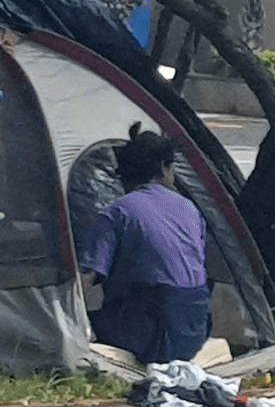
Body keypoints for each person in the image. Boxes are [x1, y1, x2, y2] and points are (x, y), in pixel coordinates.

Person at [79, 125, 211, 365]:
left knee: (85, 324)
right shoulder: (190, 209)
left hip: (149, 332)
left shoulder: (116, 213)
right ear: (163, 168)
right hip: (195, 329)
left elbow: (87, 279)